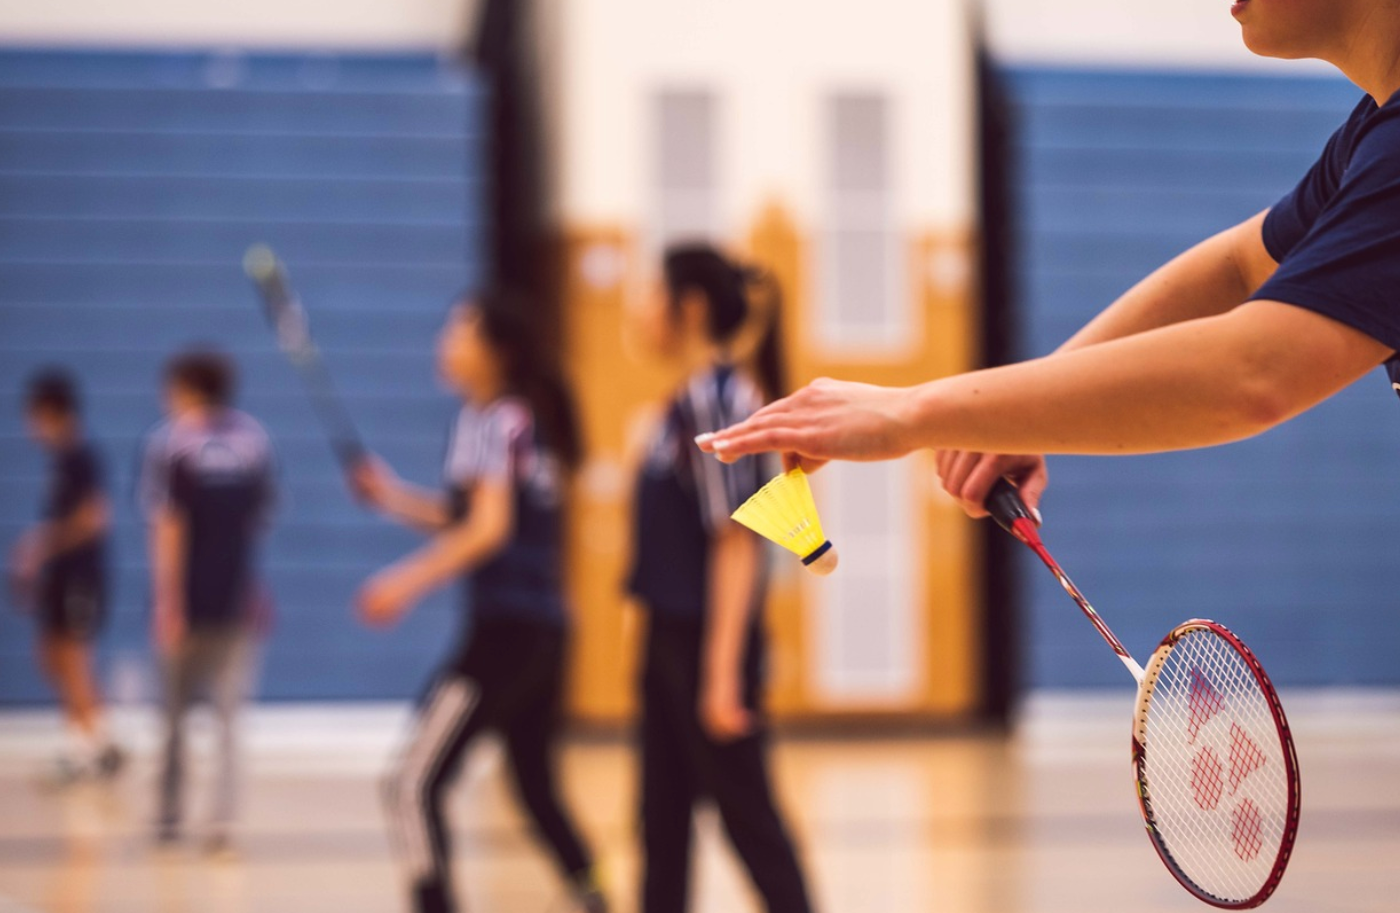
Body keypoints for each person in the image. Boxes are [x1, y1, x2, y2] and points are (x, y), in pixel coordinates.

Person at [698, 2, 1400, 521]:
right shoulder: (1373, 134)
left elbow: (1255, 370)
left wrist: (909, 411)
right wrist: (1013, 418)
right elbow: (1239, 267)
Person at [351, 292, 607, 913]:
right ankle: (595, 895)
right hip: (545, 633)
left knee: (410, 783)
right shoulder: (520, 420)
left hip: (507, 638)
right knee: (536, 788)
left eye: (458, 332)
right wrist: (391, 497)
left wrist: (401, 584)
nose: (445, 343)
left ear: (496, 352)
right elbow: (467, 516)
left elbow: (486, 530)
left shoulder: (493, 421)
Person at [625, 244, 814, 913]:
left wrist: (720, 672)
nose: (640, 309)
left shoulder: (718, 397)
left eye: (653, 292)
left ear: (691, 306)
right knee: (661, 823)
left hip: (704, 645)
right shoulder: (685, 400)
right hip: (669, 640)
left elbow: (736, 540)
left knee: (749, 821)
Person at [138, 349, 276, 852]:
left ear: (187, 388)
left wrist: (166, 602)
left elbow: (167, 526)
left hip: (190, 603)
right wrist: (256, 589)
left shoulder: (171, 443)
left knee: (172, 717)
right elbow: (256, 525)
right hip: (237, 599)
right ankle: (223, 824)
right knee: (228, 720)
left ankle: (169, 818)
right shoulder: (253, 441)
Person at [9, 369, 124, 785]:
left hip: (81, 577)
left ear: (51, 412)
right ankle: (89, 743)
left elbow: (95, 518)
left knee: (75, 659)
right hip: (61, 577)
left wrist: (42, 543)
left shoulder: (81, 456)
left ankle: (93, 749)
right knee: (52, 656)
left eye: (33, 416)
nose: (29, 427)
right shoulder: (60, 461)